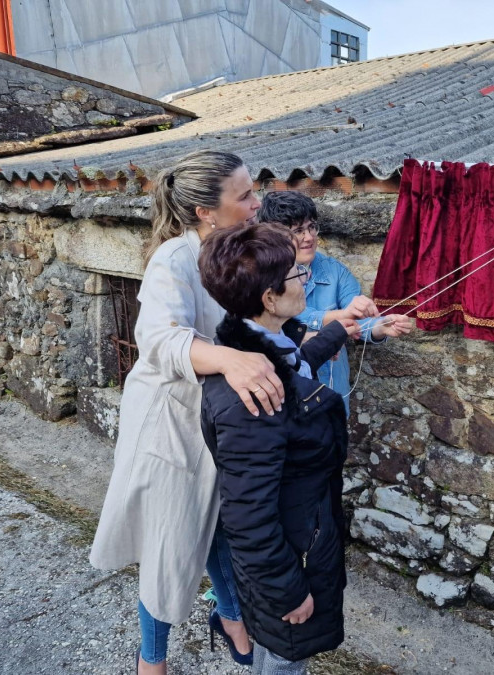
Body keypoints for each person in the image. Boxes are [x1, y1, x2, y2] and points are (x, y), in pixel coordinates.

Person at [90, 150, 279, 674]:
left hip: (221, 422)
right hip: (170, 426)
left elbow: (271, 312)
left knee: (219, 524)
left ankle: (233, 617)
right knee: (169, 542)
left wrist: (338, 320)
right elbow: (157, 337)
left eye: (252, 189)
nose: (256, 202)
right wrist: (227, 358)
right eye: (243, 195)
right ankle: (152, 659)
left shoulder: (240, 250)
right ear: (205, 212)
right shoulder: (174, 259)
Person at [199, 222, 355, 674]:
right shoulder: (252, 399)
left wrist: (338, 331)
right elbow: (247, 515)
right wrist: (288, 590)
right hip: (290, 555)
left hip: (299, 537)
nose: (305, 278)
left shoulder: (254, 348)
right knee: (286, 657)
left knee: (278, 648)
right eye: (295, 275)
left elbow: (292, 364)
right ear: (269, 298)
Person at [258, 191, 413, 411]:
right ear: (274, 235)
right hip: (285, 395)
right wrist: (340, 317)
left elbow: (359, 322)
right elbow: (294, 322)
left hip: (332, 391)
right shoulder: (259, 276)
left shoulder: (335, 271)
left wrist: (381, 326)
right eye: (298, 231)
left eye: (312, 227)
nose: (309, 237)